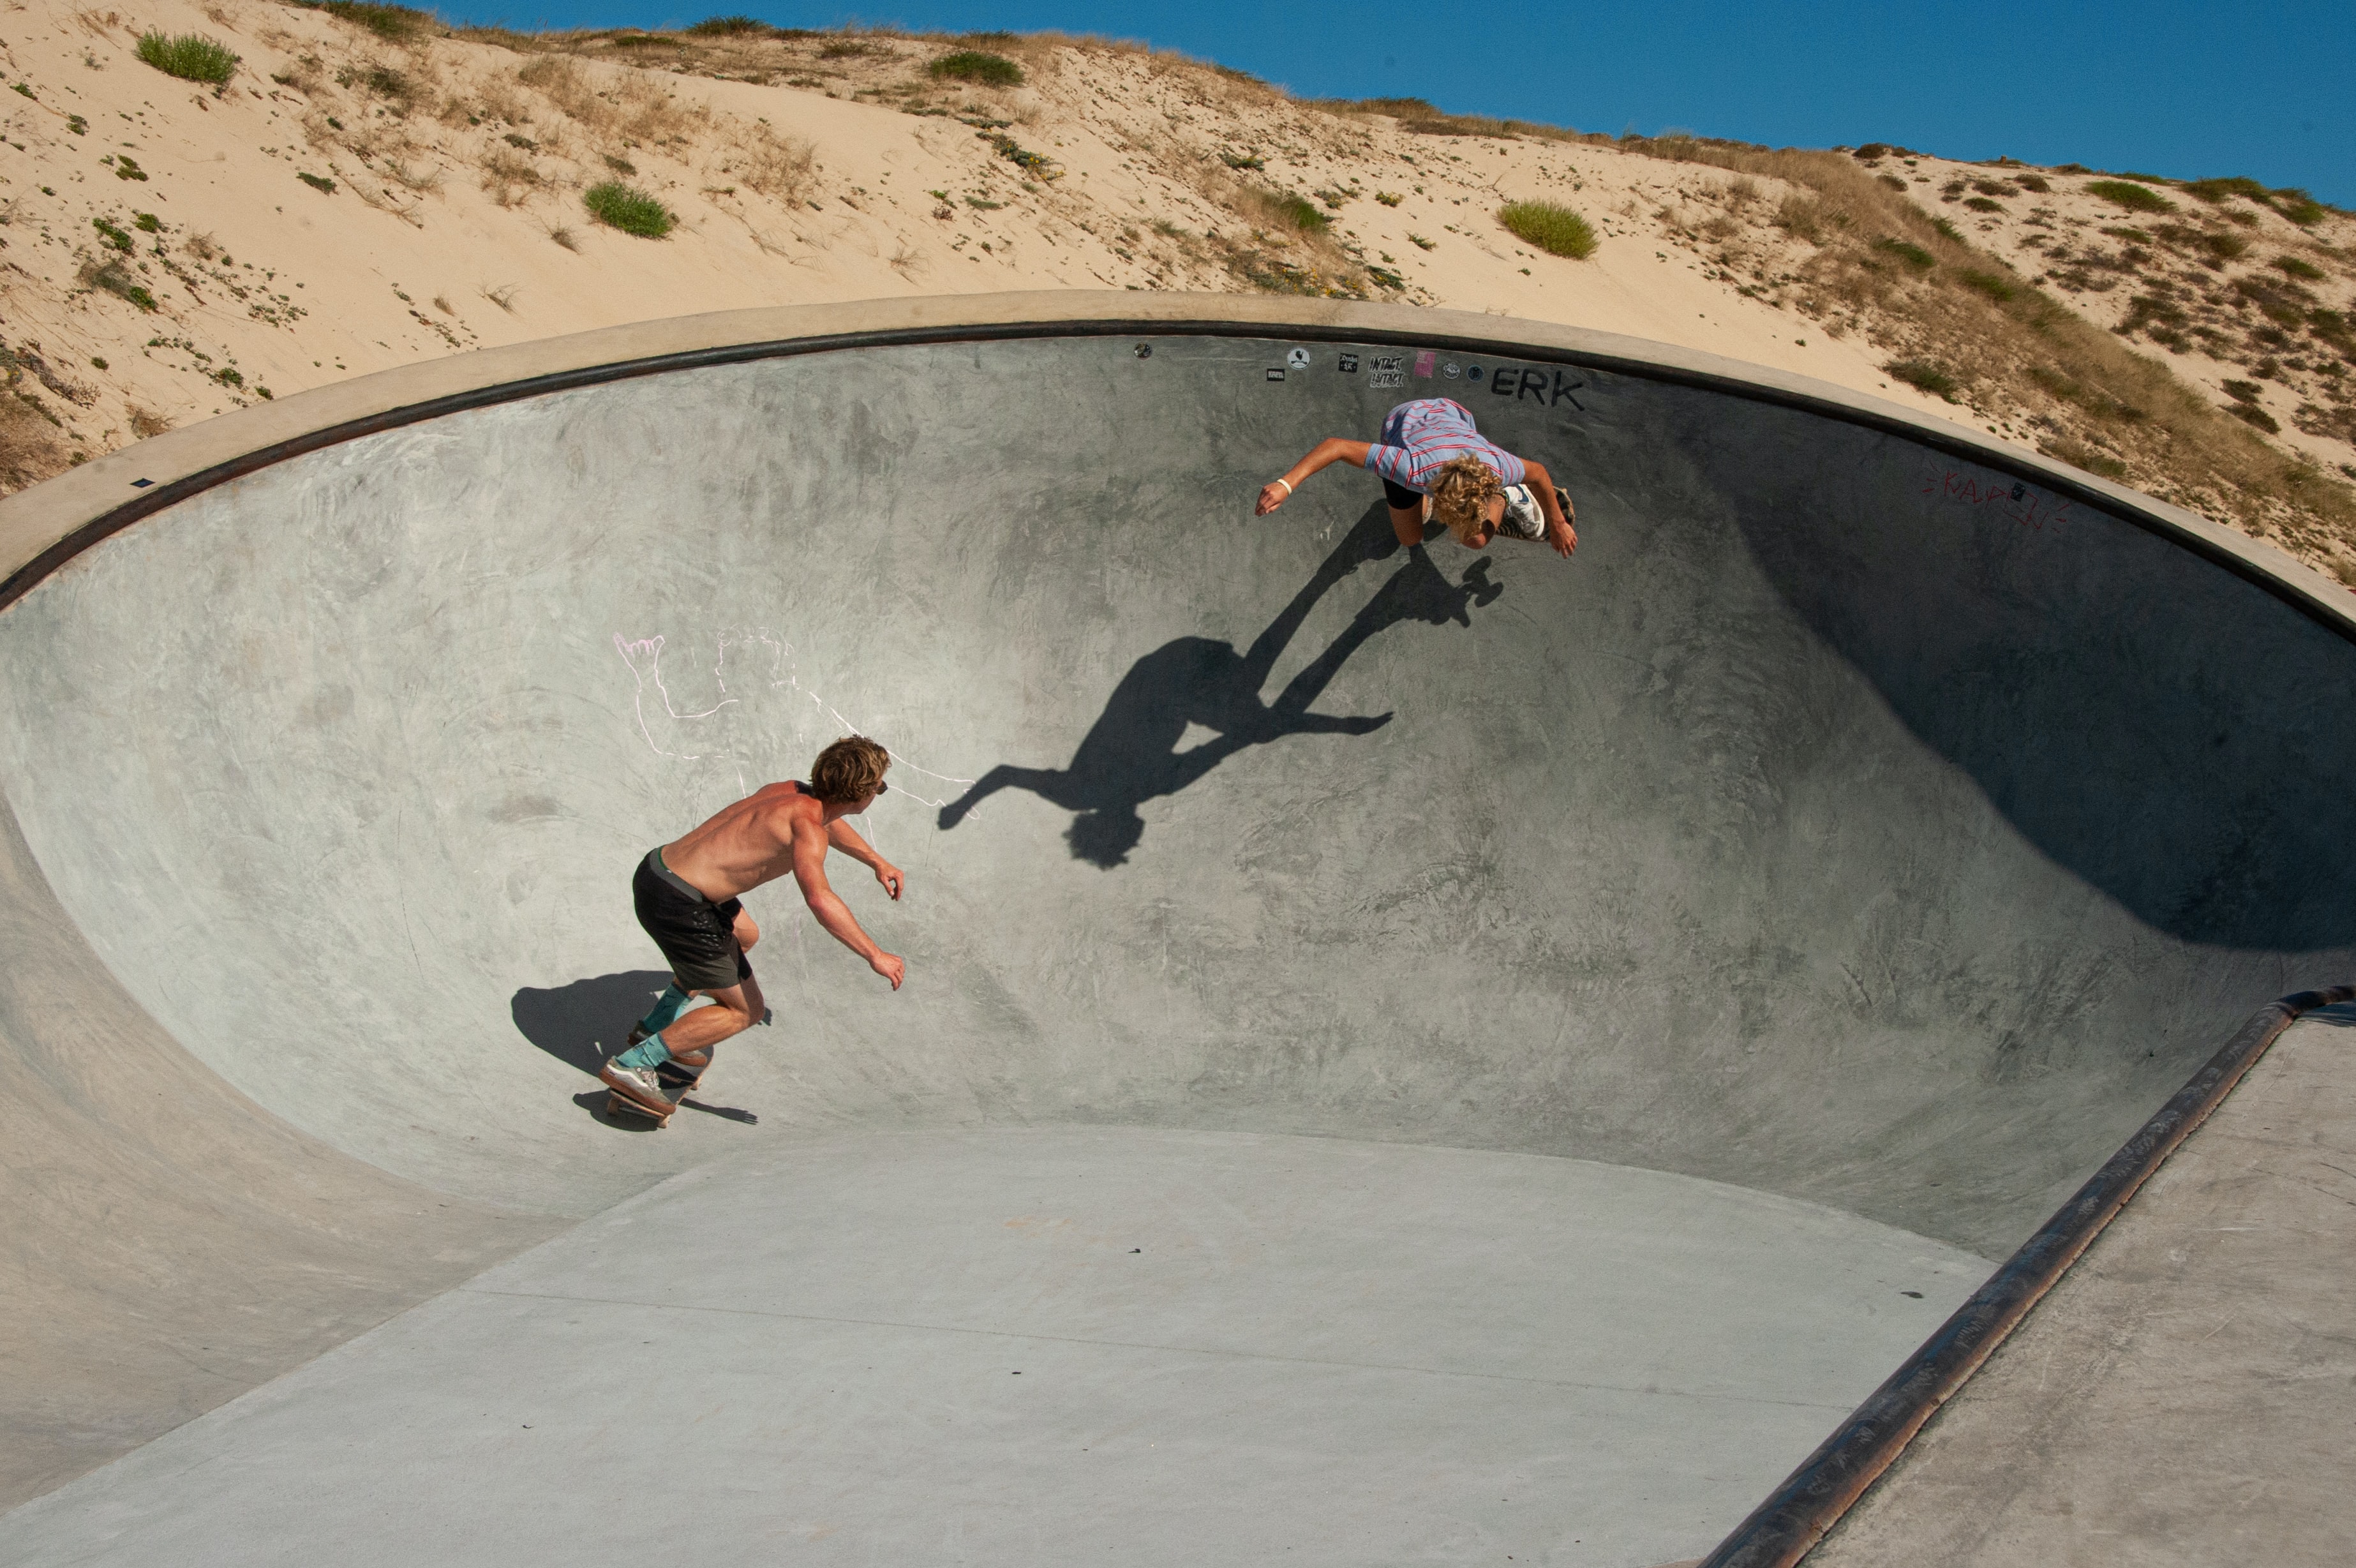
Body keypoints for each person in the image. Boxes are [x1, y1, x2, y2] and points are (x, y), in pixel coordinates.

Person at [600, 735, 906, 1117]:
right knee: (746, 1011)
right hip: (680, 906)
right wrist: (875, 955)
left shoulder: (792, 793)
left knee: (745, 935)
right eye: (879, 786)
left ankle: (658, 1023)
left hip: (659, 871)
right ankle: (635, 1063)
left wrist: (876, 861)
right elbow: (820, 899)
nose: (880, 791)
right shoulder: (808, 829)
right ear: (862, 793)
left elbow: (831, 821)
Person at [1254, 396, 1577, 556]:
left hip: (1451, 416)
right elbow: (1336, 446)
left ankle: (1510, 496)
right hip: (1402, 423)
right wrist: (1286, 484)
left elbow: (1538, 472)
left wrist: (1558, 522)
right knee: (1410, 539)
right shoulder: (1406, 468)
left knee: (1476, 540)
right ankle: (1445, 509)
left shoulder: (1497, 467)